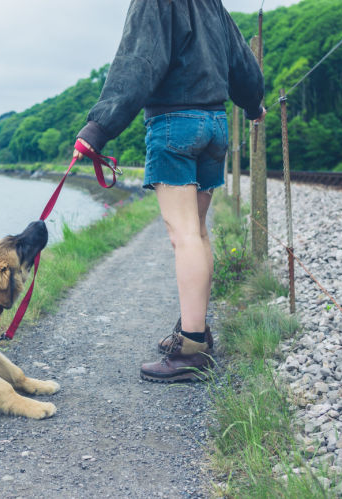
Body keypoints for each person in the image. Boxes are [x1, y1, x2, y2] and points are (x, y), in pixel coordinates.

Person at [74, 0, 266, 383]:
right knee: (197, 231)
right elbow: (243, 63)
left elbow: (138, 62)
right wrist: (253, 104)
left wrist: (98, 130)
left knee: (184, 235)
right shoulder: (212, 4)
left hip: (174, 125)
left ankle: (193, 348)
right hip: (214, 125)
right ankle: (193, 330)